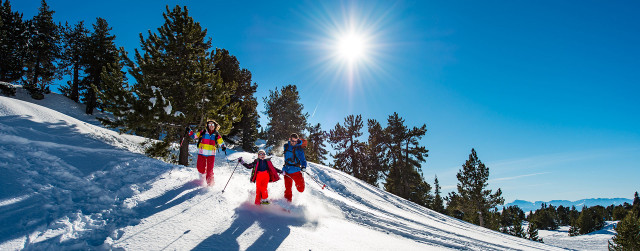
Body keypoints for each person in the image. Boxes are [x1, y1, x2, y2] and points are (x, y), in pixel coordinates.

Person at [187, 120, 226, 186]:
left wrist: (223, 146)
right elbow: (194, 136)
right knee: (200, 168)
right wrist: (189, 131)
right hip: (201, 153)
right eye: (209, 124)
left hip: (211, 154)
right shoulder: (203, 132)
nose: (211, 126)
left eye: (212, 125)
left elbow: (221, 142)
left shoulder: (216, 134)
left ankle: (210, 185)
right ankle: (203, 175)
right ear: (207, 126)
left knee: (209, 170)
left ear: (215, 126)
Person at [282, 133, 307, 202]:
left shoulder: (299, 149)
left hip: (296, 171)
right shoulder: (286, 146)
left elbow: (303, 160)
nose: (294, 143)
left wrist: (304, 166)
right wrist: (283, 169)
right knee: (288, 190)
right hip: (287, 171)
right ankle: (287, 205)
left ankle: (301, 181)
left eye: (295, 141)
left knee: (301, 189)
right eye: (293, 141)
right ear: (290, 139)